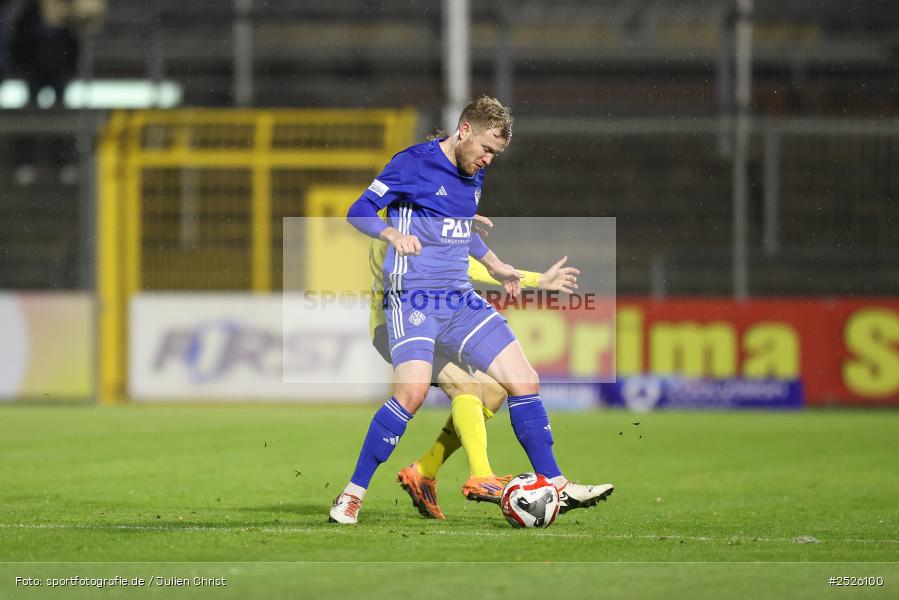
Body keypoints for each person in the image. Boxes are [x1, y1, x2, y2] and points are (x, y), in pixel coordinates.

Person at [332, 95, 613, 524]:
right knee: (410, 393)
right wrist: (390, 232)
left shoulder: (474, 176)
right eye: (485, 149)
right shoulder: (411, 164)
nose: (487, 160)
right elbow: (358, 210)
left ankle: (556, 483)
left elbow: (462, 231)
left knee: (522, 379)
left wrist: (498, 267)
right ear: (464, 130)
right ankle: (352, 494)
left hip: (459, 299)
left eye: (495, 155)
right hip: (414, 298)